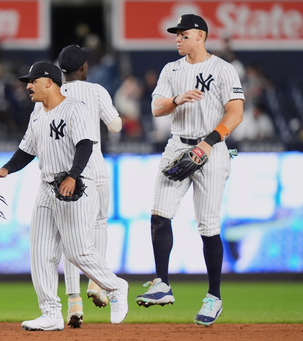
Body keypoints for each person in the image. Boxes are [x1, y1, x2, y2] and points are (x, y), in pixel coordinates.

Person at [0, 61, 129, 331]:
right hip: (46, 187)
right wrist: (6, 169)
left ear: (49, 82)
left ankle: (116, 286)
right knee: (40, 252)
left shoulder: (75, 109)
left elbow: (85, 145)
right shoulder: (37, 111)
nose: (28, 86)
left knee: (77, 251)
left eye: (32, 81)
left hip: (72, 187)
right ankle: (50, 313)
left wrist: (73, 176)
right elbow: (27, 149)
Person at [134, 14, 244, 326]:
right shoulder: (172, 70)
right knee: (159, 213)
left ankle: (213, 297)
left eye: (183, 34)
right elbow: (157, 108)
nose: (177, 39)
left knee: (208, 226)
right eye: (176, 35)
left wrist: (208, 143)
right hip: (177, 144)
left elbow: (235, 112)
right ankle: (162, 284)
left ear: (200, 35)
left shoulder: (223, 69)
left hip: (212, 148)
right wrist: (176, 100)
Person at [56, 44, 122, 328]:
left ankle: (73, 301)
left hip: (64, 173)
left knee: (70, 236)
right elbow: (115, 126)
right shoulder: (95, 90)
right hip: (94, 169)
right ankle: (97, 281)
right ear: (84, 68)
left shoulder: (51, 94)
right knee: (99, 224)